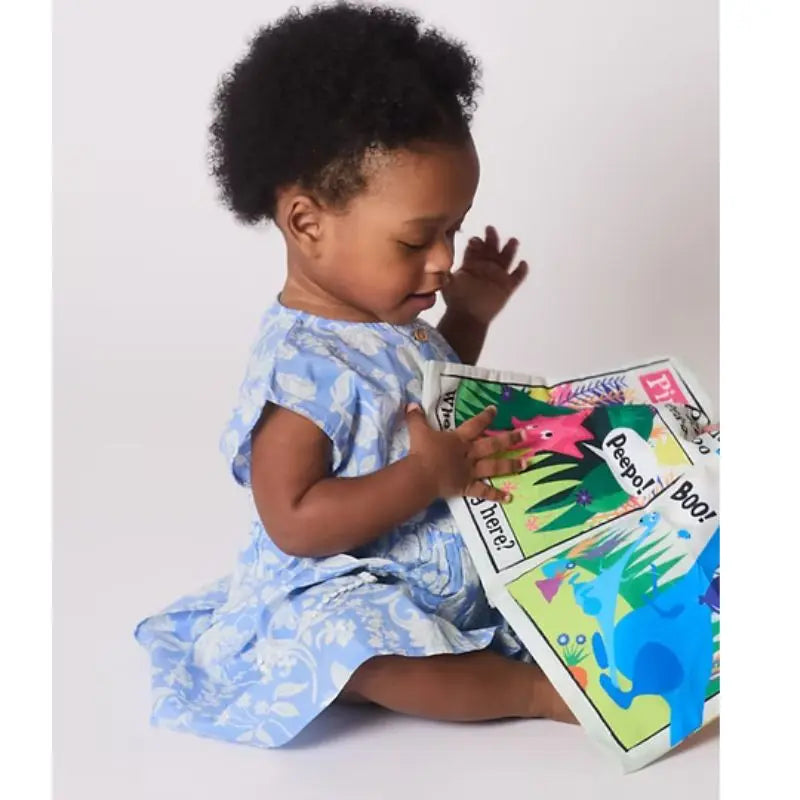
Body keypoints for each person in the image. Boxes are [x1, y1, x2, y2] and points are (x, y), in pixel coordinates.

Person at [135, 1, 575, 749]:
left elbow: (426, 391)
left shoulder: (393, 321)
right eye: (416, 240)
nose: (443, 260)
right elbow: (295, 520)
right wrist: (424, 478)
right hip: (351, 580)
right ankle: (530, 692)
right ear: (308, 224)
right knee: (362, 646)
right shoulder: (302, 368)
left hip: (438, 551)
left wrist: (468, 318)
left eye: (453, 230)